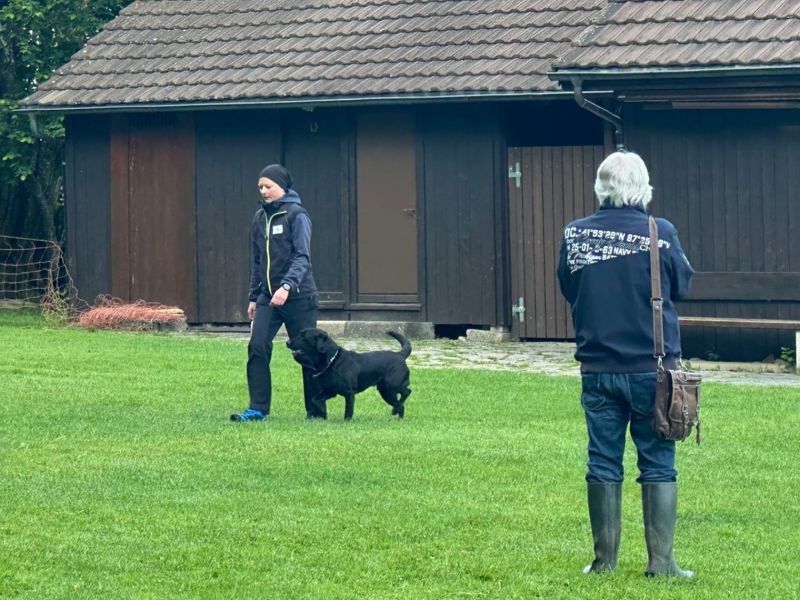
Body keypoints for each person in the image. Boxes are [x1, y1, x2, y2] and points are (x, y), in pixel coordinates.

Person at [557, 151, 694, 577]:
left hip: (597, 368)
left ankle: (604, 562)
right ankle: (662, 563)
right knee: (658, 462)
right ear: (644, 189)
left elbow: (569, 286)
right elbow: (682, 285)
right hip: (654, 370)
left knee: (602, 460)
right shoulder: (661, 232)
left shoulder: (575, 234)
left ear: (600, 188)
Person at [231, 163, 322, 422]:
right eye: (260, 187)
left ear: (282, 186)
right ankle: (258, 409)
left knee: (307, 354)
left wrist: (287, 286)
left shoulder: (297, 215)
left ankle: (316, 412)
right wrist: (253, 296)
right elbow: (258, 260)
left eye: (268, 186)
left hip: (299, 296)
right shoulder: (259, 218)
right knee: (257, 346)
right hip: (267, 298)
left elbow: (302, 257)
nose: (263, 191)